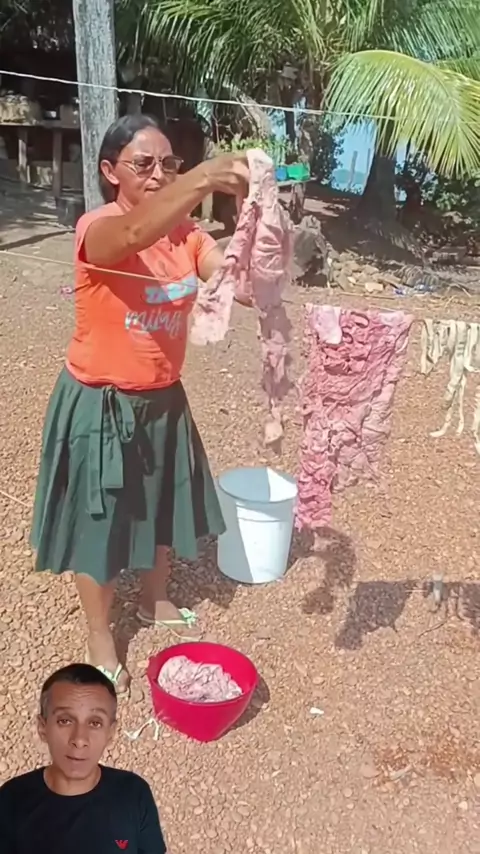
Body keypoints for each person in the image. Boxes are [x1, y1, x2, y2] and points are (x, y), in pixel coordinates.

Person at [30, 113, 251, 697]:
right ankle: (100, 637)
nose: (159, 174)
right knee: (98, 524)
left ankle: (154, 599)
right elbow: (129, 236)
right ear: (110, 171)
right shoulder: (97, 228)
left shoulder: (188, 236)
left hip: (162, 398)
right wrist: (203, 177)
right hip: (100, 402)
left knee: (161, 504)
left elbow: (228, 277)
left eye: (168, 164)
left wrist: (259, 230)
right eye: (143, 164)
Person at [0, 663, 166, 854]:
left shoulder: (133, 793)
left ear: (110, 733)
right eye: (65, 721)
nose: (79, 740)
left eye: (95, 723)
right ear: (43, 728)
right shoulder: (12, 801)